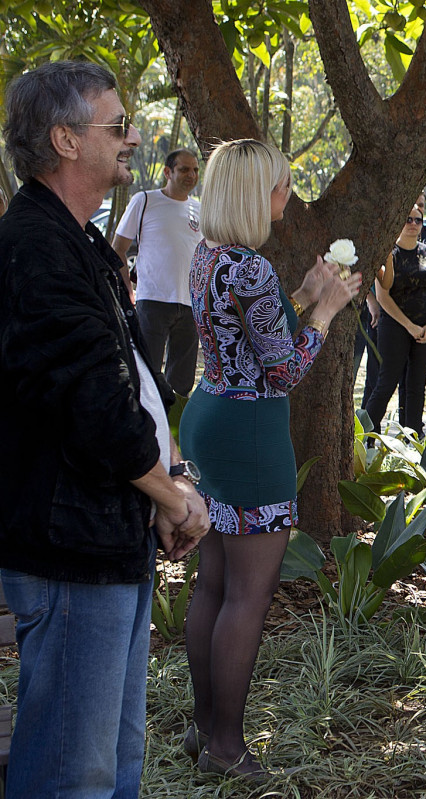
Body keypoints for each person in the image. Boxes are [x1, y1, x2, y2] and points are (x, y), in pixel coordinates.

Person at [0, 60, 209, 798]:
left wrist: (170, 481)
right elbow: (93, 406)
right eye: (117, 127)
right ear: (63, 139)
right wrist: (174, 497)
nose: (134, 138)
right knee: (71, 770)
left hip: (111, 537)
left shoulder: (80, 238)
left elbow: (136, 382)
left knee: (114, 759)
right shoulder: (34, 244)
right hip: (70, 551)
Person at [179, 138, 359, 780]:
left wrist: (307, 294)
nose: (288, 194)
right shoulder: (249, 267)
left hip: (209, 416)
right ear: (259, 193)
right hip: (251, 432)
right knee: (247, 598)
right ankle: (227, 748)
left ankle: (205, 731)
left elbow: (248, 338)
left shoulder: (212, 256)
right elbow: (282, 369)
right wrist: (329, 313)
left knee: (215, 583)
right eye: (282, 185)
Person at [113, 148, 204, 396]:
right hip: (152, 302)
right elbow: (118, 249)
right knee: (146, 375)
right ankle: (145, 429)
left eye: (195, 170)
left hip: (189, 305)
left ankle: (173, 432)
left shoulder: (200, 210)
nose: (191, 175)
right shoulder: (144, 200)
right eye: (184, 169)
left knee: (182, 384)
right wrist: (127, 289)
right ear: (168, 172)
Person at [365, 204, 426, 438]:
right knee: (386, 384)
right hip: (394, 327)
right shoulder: (388, 254)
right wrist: (408, 326)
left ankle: (413, 440)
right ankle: (364, 440)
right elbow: (383, 296)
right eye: (407, 219)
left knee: (416, 387)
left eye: (417, 220)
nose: (412, 224)